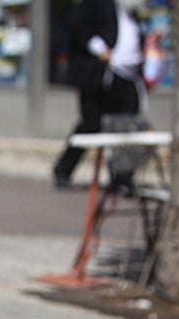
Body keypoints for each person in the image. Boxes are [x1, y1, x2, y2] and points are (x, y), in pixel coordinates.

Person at [52, 0, 147, 191]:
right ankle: (63, 169)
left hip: (127, 76)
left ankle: (122, 177)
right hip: (99, 75)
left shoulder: (135, 12)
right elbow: (76, 22)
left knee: (127, 125)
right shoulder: (99, 4)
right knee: (91, 124)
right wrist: (99, 48)